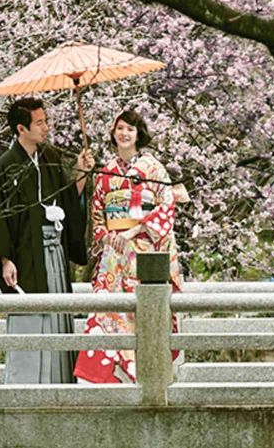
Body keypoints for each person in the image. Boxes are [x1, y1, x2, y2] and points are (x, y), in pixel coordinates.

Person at [0, 98, 93, 384]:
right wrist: (5, 260)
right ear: (21, 128)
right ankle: (26, 383)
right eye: (39, 122)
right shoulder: (5, 165)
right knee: (31, 312)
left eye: (46, 121)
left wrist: (81, 173)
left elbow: (68, 197)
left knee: (58, 311)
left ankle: (61, 382)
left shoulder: (51, 156)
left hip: (54, 249)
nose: (46, 127)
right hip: (26, 255)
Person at [74, 110, 183, 384]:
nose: (124, 133)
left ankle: (147, 373)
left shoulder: (153, 168)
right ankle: (111, 374)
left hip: (144, 252)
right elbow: (98, 219)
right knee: (108, 308)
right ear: (113, 133)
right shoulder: (105, 173)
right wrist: (109, 237)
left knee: (145, 313)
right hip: (114, 257)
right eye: (120, 128)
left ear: (138, 135)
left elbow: (166, 205)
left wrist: (135, 230)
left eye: (130, 129)